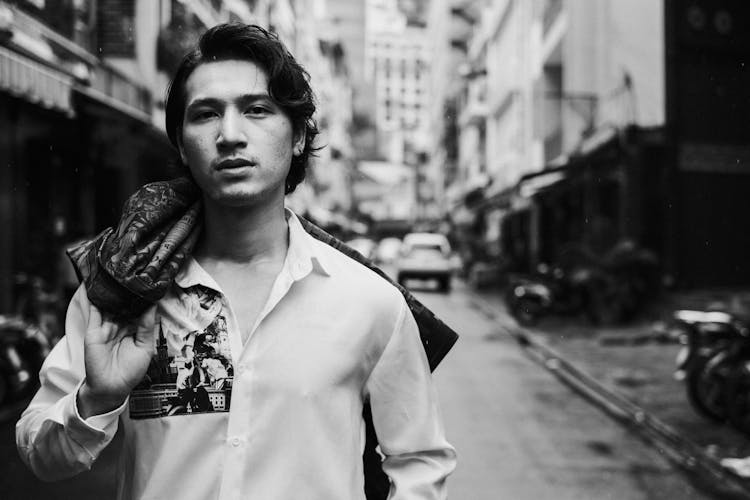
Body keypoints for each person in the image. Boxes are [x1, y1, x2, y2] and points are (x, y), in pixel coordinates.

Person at [16, 23, 456, 500]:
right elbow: (40, 453)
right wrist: (97, 399)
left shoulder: (370, 302)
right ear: (183, 146)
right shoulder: (123, 291)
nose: (229, 134)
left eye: (256, 110)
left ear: (298, 138)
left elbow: (419, 463)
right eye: (206, 114)